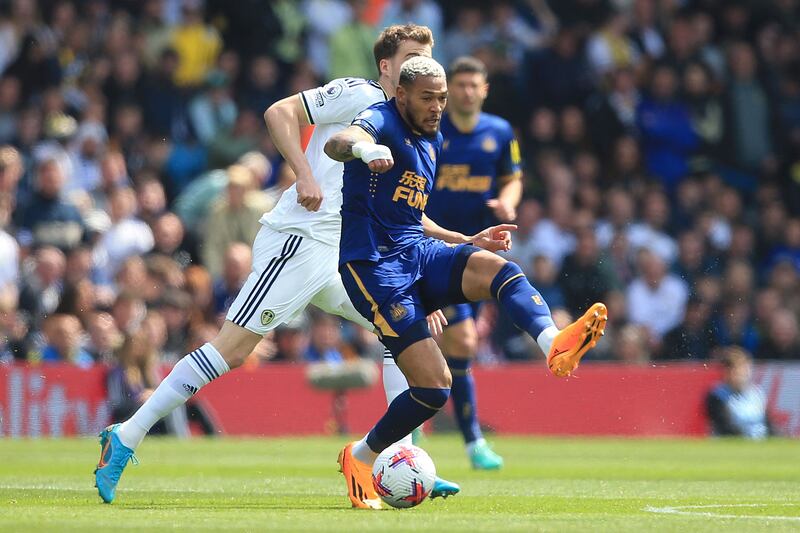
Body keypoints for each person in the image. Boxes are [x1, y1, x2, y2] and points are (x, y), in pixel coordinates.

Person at [93, 24, 462, 505]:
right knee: (232, 349)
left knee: (402, 331)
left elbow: (402, 209)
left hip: (341, 250)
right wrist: (304, 174)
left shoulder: (404, 126)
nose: (422, 69)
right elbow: (280, 110)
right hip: (300, 240)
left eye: (428, 61)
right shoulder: (358, 94)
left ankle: (402, 463)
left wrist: (453, 238)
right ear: (387, 67)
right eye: (413, 58)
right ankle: (125, 436)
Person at [325, 55, 607, 510]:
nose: (438, 106)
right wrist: (364, 149)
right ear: (401, 94)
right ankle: (360, 457)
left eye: (441, 98)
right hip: (373, 265)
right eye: (428, 98)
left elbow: (410, 214)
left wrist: (463, 239)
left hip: (416, 249)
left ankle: (553, 343)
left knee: (495, 268)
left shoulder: (431, 139)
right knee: (435, 389)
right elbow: (340, 142)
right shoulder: (379, 120)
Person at [422, 56, 523, 470]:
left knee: (457, 348)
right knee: (460, 340)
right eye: (458, 85)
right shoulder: (431, 128)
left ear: (484, 89)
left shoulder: (498, 132)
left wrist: (507, 204)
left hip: (483, 249)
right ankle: (467, 440)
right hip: (437, 247)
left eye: (472, 85)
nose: (465, 92)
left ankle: (464, 441)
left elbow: (512, 177)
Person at [706, 347, 773, 439]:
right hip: (733, 445)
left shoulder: (756, 393)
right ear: (727, 372)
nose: (741, 373)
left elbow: (767, 424)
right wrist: (752, 438)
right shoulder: (717, 396)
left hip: (759, 444)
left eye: (743, 368)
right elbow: (725, 427)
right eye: (736, 369)